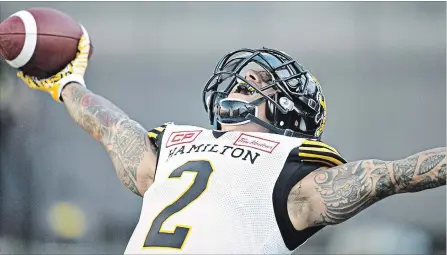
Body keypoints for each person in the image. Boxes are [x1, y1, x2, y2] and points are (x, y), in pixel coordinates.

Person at [15, 29, 446, 254]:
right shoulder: (177, 143)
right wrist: (67, 83)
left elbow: (396, 175)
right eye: (239, 82)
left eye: (256, 84)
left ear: (289, 111)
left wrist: (71, 87)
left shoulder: (292, 171)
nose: (240, 85)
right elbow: (113, 128)